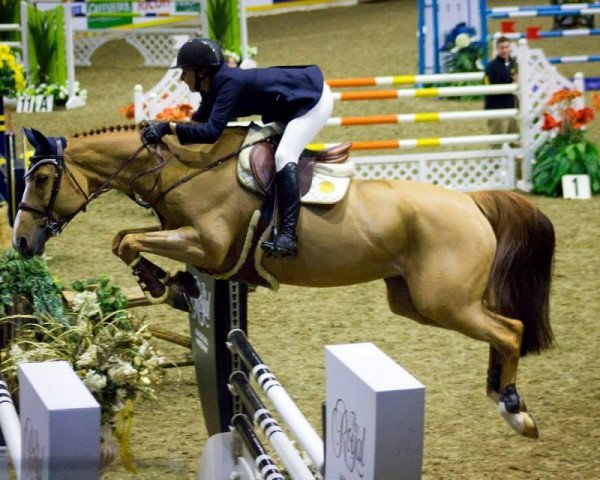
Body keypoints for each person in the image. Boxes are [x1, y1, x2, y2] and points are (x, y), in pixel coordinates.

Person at [141, 38, 334, 259]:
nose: (182, 77)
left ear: (202, 71)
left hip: (311, 101)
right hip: (287, 105)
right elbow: (198, 124)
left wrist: (167, 126)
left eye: (185, 71)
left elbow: (211, 132)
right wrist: (165, 137)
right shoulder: (211, 87)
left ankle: (288, 235)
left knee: (283, 156)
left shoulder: (229, 84)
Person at [484, 36, 519, 145]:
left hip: (514, 106)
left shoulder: (515, 64)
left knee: (516, 141)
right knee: (497, 142)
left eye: (506, 47)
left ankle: (518, 162)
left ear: (510, 48)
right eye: (501, 48)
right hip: (497, 108)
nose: (504, 50)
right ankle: (496, 162)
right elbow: (488, 87)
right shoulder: (491, 67)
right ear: (497, 49)